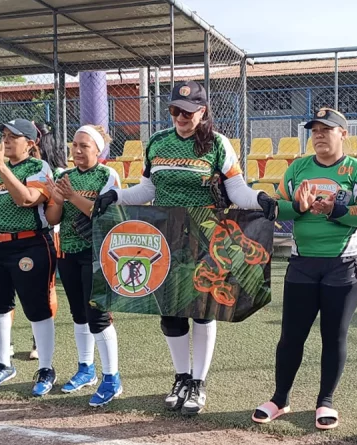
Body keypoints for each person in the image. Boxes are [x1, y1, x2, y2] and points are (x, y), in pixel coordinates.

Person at [93, 80, 277, 415]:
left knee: (204, 313)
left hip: (206, 236)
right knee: (171, 315)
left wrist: (259, 198)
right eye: (176, 110)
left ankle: (198, 382)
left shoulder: (218, 145)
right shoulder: (158, 143)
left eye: (188, 112)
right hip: (166, 237)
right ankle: (180, 377)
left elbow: (237, 190)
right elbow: (144, 191)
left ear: (203, 111)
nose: (181, 116)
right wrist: (116, 196)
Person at [251, 108, 357, 430]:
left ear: (343, 134)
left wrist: (338, 210)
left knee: (333, 336)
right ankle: (280, 399)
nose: (319, 134)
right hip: (303, 263)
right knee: (291, 335)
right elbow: (276, 208)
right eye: (315, 130)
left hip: (344, 264)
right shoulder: (298, 168)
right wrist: (299, 206)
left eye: (327, 129)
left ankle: (325, 402)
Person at [0, 118, 58, 396]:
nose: (4, 140)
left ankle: (46, 367)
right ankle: (4, 364)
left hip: (30, 244)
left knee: (37, 307)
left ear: (30, 143)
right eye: (3, 135)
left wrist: (2, 167)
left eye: (12, 136)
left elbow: (27, 199)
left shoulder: (38, 167)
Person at [44, 124, 122, 406]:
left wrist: (72, 196)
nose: (76, 150)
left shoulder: (107, 174)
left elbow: (103, 215)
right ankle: (86, 369)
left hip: (96, 254)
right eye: (74, 145)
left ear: (98, 150)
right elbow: (53, 219)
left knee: (98, 317)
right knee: (79, 315)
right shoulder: (64, 176)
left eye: (84, 146)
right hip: (68, 253)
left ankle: (112, 378)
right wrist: (55, 197)